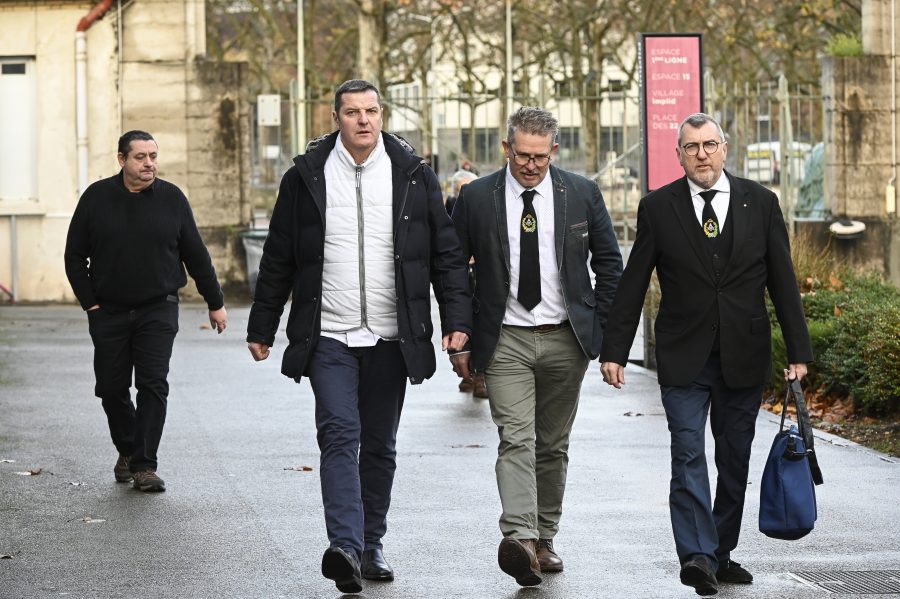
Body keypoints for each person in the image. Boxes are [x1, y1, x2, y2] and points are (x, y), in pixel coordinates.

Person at [245, 79, 472, 594]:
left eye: (371, 110)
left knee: (379, 446)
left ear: (382, 114)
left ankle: (371, 545)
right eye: (352, 112)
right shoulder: (305, 176)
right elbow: (279, 255)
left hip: (392, 335)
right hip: (329, 333)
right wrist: (262, 325)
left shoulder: (413, 174)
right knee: (339, 434)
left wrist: (457, 320)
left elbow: (445, 255)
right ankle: (344, 547)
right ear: (336, 118)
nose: (363, 120)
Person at [599, 112, 813, 596]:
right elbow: (634, 282)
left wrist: (798, 351)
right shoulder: (658, 207)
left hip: (744, 353)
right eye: (691, 146)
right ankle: (696, 554)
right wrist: (615, 350)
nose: (702, 154)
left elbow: (783, 280)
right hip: (684, 357)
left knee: (734, 459)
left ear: (724, 148)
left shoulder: (761, 202)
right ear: (679, 155)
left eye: (709, 145)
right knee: (688, 452)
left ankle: (721, 552)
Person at [450, 106, 622, 587]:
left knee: (552, 444)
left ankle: (545, 538)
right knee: (516, 438)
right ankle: (520, 538)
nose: (530, 165)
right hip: (504, 337)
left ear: (555, 151)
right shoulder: (477, 197)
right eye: (522, 155)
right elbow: (453, 269)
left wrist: (605, 335)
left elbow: (610, 265)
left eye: (540, 157)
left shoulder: (582, 193)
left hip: (566, 337)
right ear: (507, 148)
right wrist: (459, 333)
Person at [64, 130, 228, 493]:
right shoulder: (96, 198)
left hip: (158, 307)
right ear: (122, 159)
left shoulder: (172, 199)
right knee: (111, 388)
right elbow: (74, 256)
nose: (149, 163)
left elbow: (196, 255)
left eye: (153, 156)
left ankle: (144, 465)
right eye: (140, 157)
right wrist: (91, 304)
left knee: (153, 384)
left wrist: (214, 302)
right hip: (109, 311)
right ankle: (127, 448)